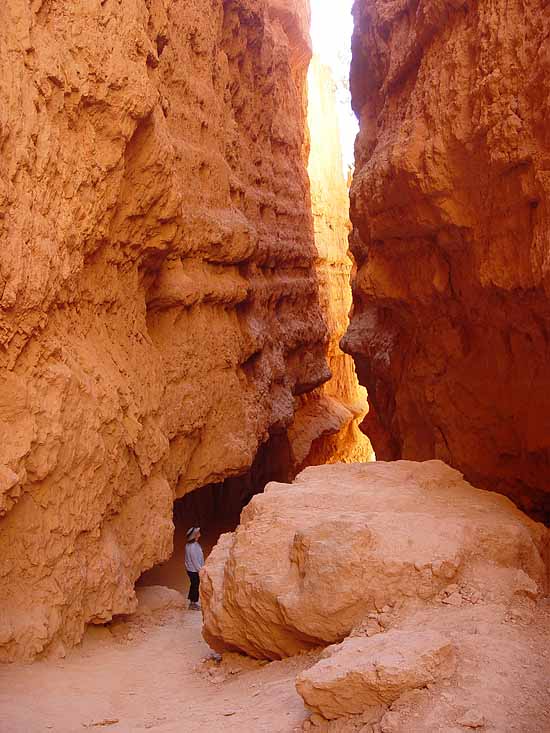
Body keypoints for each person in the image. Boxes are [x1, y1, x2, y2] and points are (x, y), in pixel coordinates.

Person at [185, 526, 204, 610]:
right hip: (193, 570)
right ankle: (193, 604)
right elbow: (194, 560)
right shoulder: (192, 547)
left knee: (193, 585)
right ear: (194, 535)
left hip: (192, 569)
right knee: (195, 585)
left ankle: (192, 601)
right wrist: (200, 570)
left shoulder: (193, 544)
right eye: (198, 533)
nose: (199, 534)